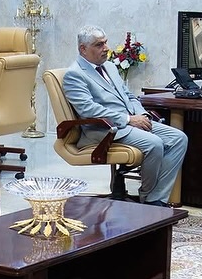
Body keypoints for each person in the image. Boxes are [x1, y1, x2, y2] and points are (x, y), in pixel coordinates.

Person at [62, 26, 188, 206]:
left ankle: (155, 198)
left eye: (105, 42)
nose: (106, 48)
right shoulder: (75, 74)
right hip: (105, 129)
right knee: (154, 144)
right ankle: (150, 201)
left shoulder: (109, 66)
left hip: (130, 121)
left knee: (179, 138)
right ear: (83, 49)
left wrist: (141, 114)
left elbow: (128, 96)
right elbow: (89, 110)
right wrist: (129, 119)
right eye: (99, 45)